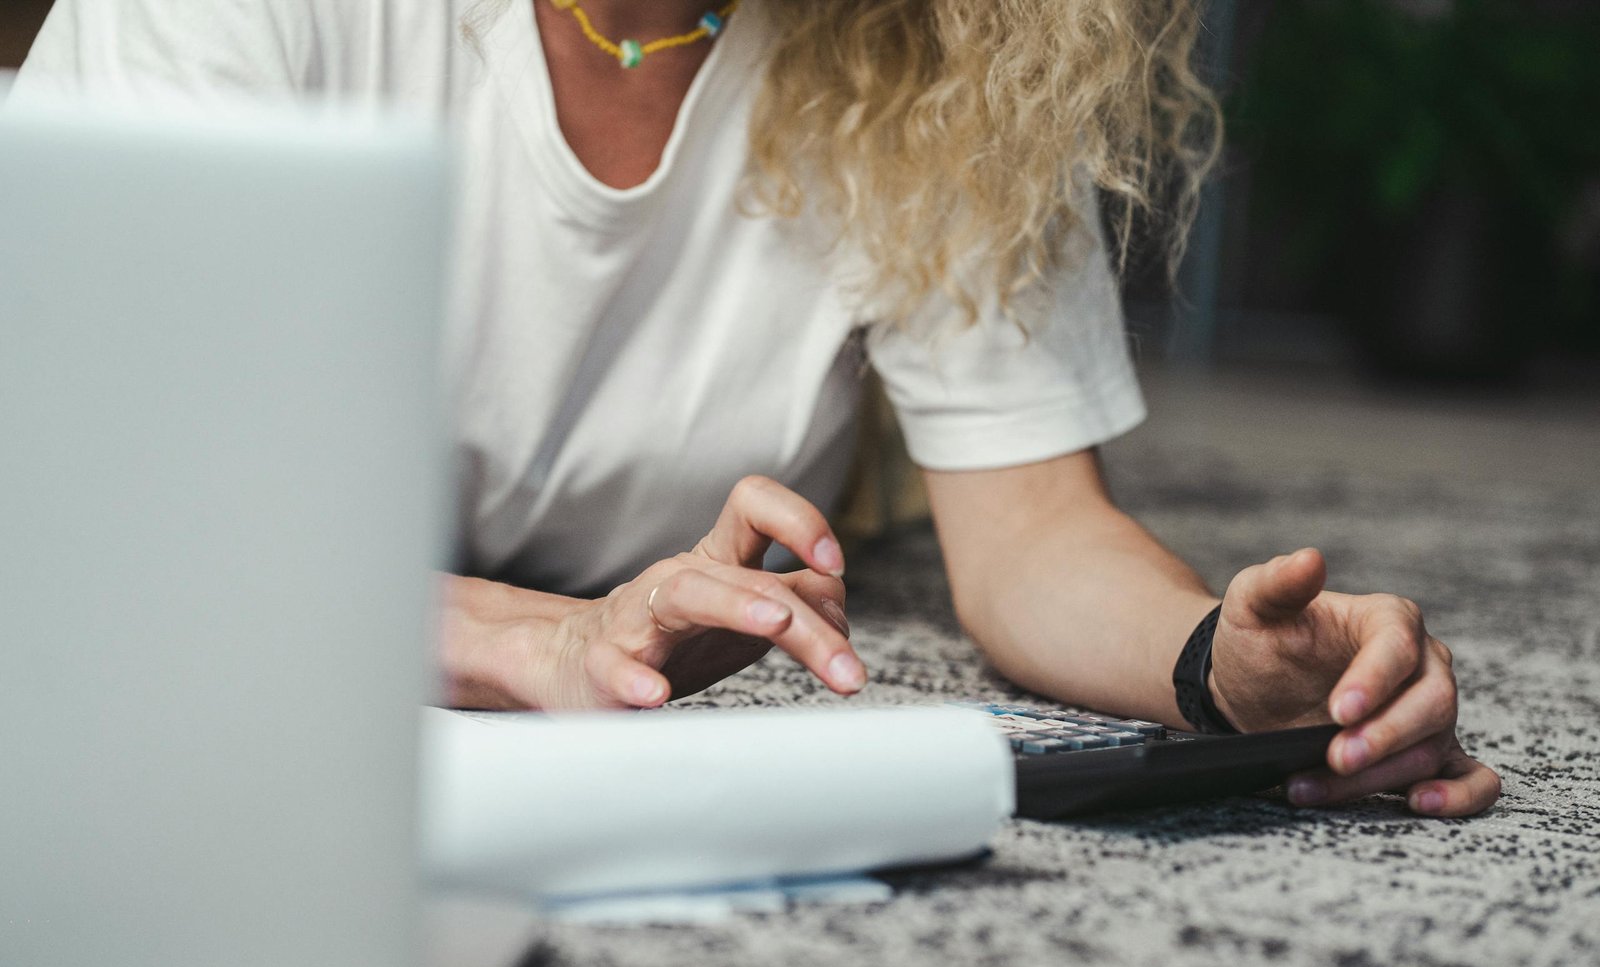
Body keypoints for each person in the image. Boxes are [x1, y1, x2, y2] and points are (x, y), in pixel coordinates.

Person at [14, 0, 1501, 816]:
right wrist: (534, 638)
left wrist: (1219, 672)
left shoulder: (953, 47)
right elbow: (97, 513)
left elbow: (1035, 526)